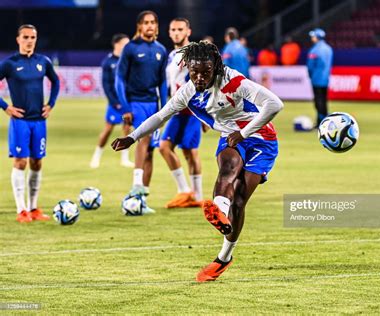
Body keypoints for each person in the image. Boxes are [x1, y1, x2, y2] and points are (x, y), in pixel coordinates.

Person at [111, 41, 283, 282]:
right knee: (228, 168)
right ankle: (219, 212)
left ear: (216, 67)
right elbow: (161, 116)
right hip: (231, 139)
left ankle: (224, 257)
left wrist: (243, 133)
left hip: (262, 139)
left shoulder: (234, 81)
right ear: (188, 69)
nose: (200, 77)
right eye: (194, 72)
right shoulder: (187, 92)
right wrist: (132, 137)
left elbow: (275, 104)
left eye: (206, 72)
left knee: (240, 200)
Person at [0, 24, 60, 223]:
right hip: (20, 122)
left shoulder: (43, 62)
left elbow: (55, 81)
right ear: (18, 39)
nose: (29, 41)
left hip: (39, 121)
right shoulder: (10, 64)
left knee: (37, 162)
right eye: (25, 37)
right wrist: (5, 107)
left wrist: (50, 104)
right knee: (21, 162)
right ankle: (21, 210)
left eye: (32, 37)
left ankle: (34, 208)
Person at [115, 10, 168, 213]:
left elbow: (162, 81)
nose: (150, 26)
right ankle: (136, 184)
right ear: (139, 26)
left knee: (150, 152)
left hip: (153, 105)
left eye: (153, 22)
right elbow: (120, 79)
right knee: (143, 140)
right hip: (136, 102)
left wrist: (164, 108)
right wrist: (126, 107)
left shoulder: (160, 50)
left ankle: (141, 200)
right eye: (146, 22)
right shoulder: (130, 48)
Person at [160, 18, 203, 208]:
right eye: (173, 29)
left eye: (180, 29)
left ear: (188, 31)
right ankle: (185, 191)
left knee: (190, 151)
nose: (176, 32)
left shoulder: (193, 52)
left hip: (192, 108)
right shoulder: (171, 55)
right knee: (164, 147)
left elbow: (203, 76)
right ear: (169, 32)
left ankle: (198, 196)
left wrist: (206, 112)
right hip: (177, 109)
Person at [90, 33, 134, 169]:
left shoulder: (129, 61)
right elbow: (106, 85)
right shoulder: (108, 62)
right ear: (117, 44)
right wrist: (115, 102)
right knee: (108, 129)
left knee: (127, 128)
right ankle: (96, 157)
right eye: (125, 43)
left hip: (127, 101)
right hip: (115, 103)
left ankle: (124, 158)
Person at [307, 28, 333, 127]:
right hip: (325, 78)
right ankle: (322, 120)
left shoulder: (314, 50)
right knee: (324, 100)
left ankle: (321, 122)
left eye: (313, 36)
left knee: (318, 101)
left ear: (317, 37)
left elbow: (310, 66)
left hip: (316, 79)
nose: (312, 38)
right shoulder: (328, 48)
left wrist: (310, 75)